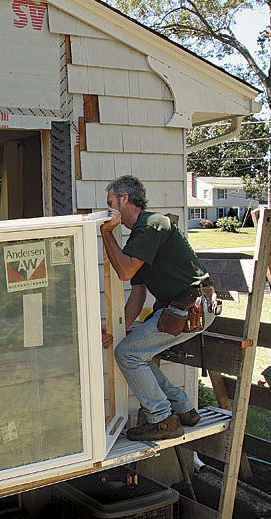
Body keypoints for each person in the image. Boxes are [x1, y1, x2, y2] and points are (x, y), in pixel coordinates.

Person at [100, 175, 220, 441]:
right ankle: (182, 406)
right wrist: (117, 328)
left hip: (191, 306)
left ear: (124, 199)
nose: (108, 209)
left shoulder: (151, 225)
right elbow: (138, 295)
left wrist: (106, 232)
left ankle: (162, 419)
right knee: (135, 351)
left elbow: (124, 271)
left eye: (110, 202)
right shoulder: (139, 237)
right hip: (183, 307)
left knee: (129, 354)